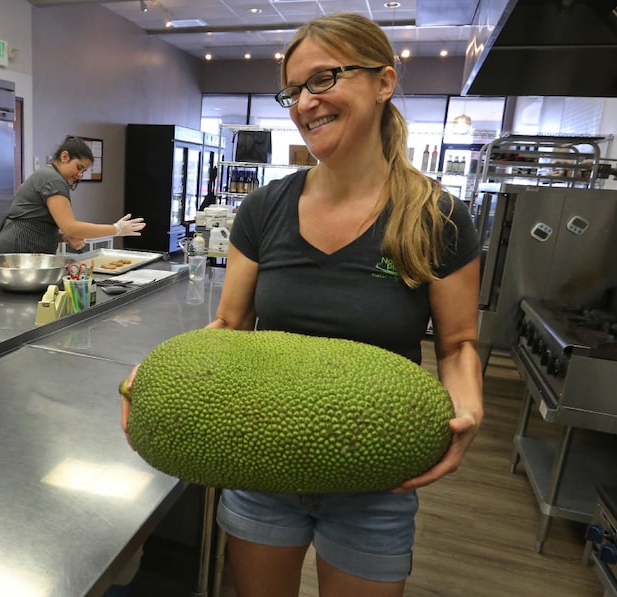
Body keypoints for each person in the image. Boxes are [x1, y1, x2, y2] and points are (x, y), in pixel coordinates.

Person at [121, 12, 483, 597]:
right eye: (292, 90)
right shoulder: (264, 209)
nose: (304, 103)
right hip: (260, 461)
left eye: (323, 80)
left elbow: (459, 343)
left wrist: (467, 409)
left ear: (383, 82)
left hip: (376, 474)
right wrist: (162, 370)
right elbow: (230, 325)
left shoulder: (437, 216)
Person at [0, 135, 145, 253]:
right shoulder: (52, 180)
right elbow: (70, 226)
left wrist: (64, 238)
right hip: (16, 253)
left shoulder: (47, 175)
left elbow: (37, 223)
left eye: (83, 171)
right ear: (64, 157)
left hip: (19, 251)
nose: (79, 175)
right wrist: (116, 229)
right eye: (78, 167)